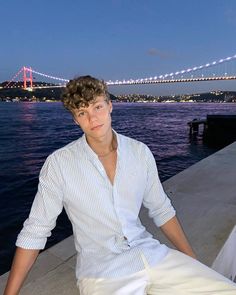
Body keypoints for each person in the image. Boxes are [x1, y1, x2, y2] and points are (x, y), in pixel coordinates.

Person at [4, 76, 236, 295]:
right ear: (75, 119)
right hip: (104, 273)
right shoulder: (59, 164)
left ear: (110, 105)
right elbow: (36, 231)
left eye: (97, 107)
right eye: (82, 112)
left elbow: (161, 210)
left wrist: (192, 263)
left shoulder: (139, 152)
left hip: (152, 255)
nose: (93, 119)